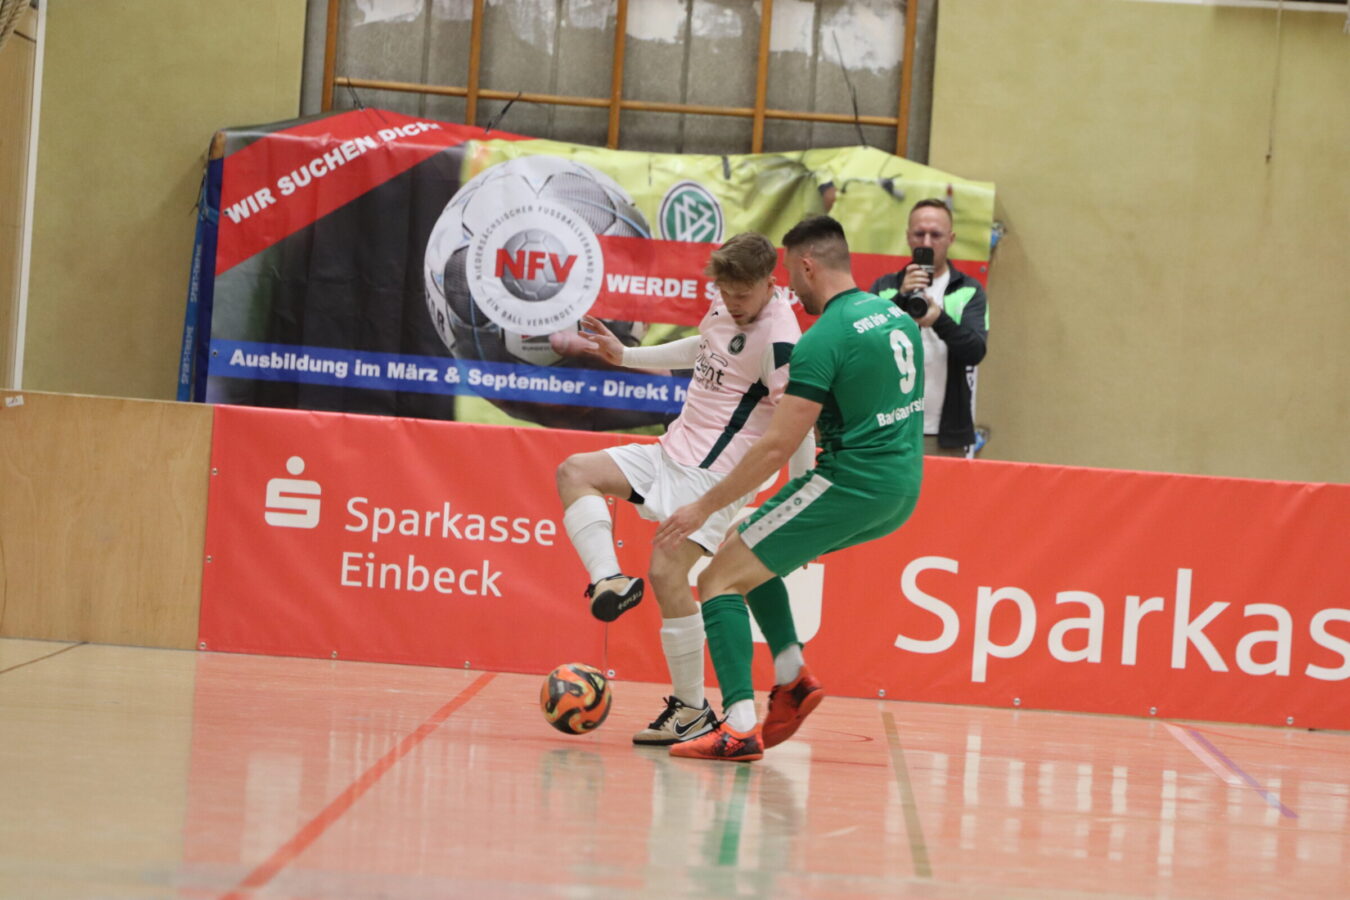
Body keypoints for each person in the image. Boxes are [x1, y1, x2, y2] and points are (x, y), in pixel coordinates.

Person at [654, 214, 924, 762]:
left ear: (807, 266)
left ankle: (738, 727)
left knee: (718, 577)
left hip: (850, 481)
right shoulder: (895, 316)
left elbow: (777, 445)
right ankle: (791, 676)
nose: (790, 289)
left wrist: (702, 506)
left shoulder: (823, 337)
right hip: (902, 486)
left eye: (792, 275)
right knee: (749, 550)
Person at [554, 232, 815, 747]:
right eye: (726, 292)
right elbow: (704, 346)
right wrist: (626, 356)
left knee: (666, 571)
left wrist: (799, 501)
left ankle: (692, 709)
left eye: (743, 295)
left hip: (717, 475)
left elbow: (798, 424)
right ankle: (608, 581)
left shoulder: (781, 341)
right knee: (574, 472)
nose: (732, 303)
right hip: (671, 449)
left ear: (771, 283)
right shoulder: (725, 304)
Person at [869, 198, 988, 457]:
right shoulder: (885, 287)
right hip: (889, 431)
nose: (926, 242)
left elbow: (975, 351)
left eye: (935, 235)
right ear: (907, 237)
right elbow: (867, 346)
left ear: (951, 238)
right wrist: (901, 298)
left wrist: (939, 320)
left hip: (944, 436)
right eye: (919, 234)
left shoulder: (968, 290)